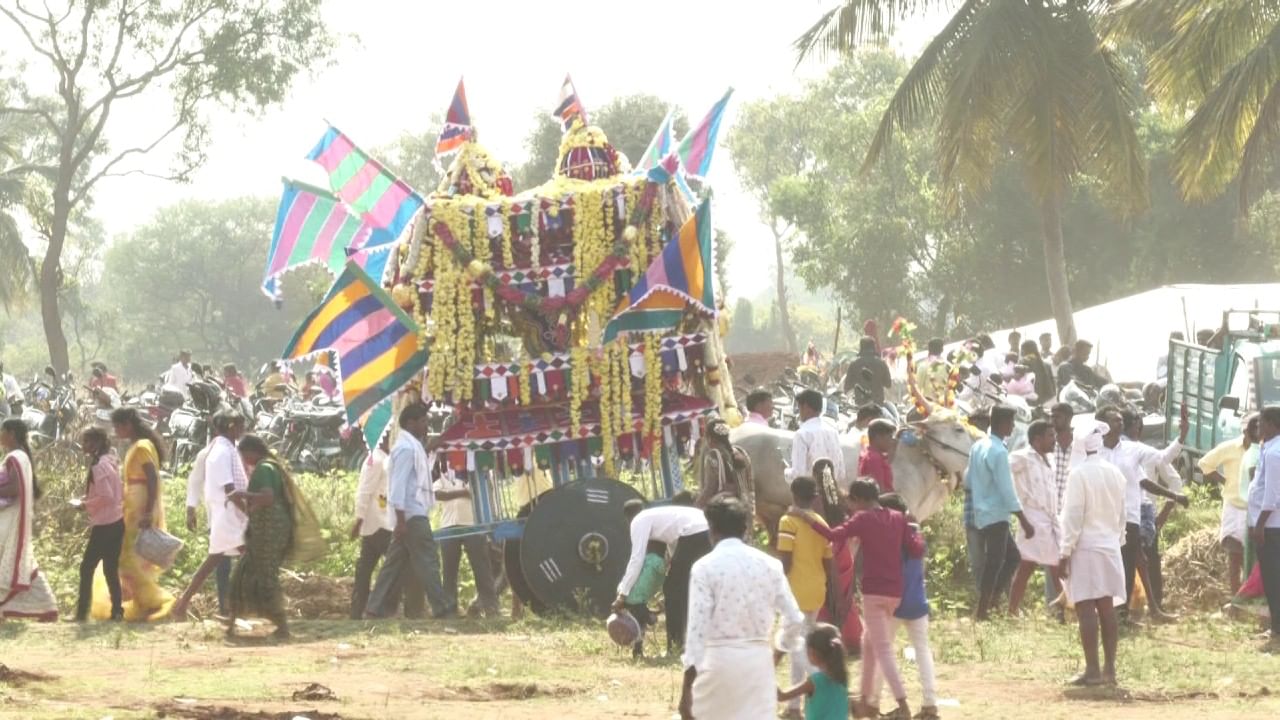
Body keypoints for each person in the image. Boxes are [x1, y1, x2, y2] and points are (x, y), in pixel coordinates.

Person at [794, 479, 923, 720]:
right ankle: (864, 705)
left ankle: (902, 703)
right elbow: (915, 548)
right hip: (895, 591)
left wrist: (805, 516)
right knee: (868, 644)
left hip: (874, 591)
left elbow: (832, 534)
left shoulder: (863, 519)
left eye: (852, 502)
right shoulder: (897, 517)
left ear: (859, 500)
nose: (852, 507)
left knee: (882, 649)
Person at [679, 494, 805, 720]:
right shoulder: (771, 565)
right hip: (758, 662)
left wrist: (686, 689)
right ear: (746, 528)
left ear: (712, 529)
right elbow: (795, 619)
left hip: (716, 663)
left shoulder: (704, 567)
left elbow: (697, 632)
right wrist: (776, 654)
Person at [1095, 406, 1187, 619]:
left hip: (1128, 518)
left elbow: (1161, 459)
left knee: (1126, 566)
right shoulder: (1094, 451)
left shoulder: (1132, 450)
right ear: (1102, 425)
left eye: (1120, 420)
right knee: (1103, 565)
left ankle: (1121, 614)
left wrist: (1181, 436)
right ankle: (1100, 612)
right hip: (1100, 518)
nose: (1120, 424)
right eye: (1115, 420)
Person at [365, 404, 450, 619]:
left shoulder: (412, 446)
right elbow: (398, 487)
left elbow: (417, 473)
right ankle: (441, 609)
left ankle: (373, 608)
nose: (426, 425)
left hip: (409, 515)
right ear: (411, 423)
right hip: (411, 515)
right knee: (429, 561)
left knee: (392, 566)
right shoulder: (405, 449)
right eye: (423, 421)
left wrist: (430, 447)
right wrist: (401, 521)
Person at [1059, 422, 1128, 685]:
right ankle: (1110, 670)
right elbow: (1122, 516)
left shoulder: (1079, 475)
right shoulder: (1115, 473)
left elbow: (1073, 517)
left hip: (1085, 548)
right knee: (1106, 607)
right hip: (1110, 547)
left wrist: (1064, 553)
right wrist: (1116, 539)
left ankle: (1092, 670)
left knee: (1086, 608)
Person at [99, 408, 174, 621]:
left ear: (127, 425)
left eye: (117, 426)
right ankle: (135, 602)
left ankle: (151, 601)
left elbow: (152, 478)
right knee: (128, 556)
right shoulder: (138, 446)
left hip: (140, 507)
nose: (115, 431)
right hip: (133, 505)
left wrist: (148, 511)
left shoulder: (141, 447)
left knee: (128, 557)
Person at [172, 411, 249, 620]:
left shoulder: (226, 449)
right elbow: (229, 489)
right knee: (240, 559)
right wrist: (248, 511)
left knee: (216, 561)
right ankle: (235, 608)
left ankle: (185, 604)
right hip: (227, 515)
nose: (243, 430)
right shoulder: (219, 453)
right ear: (232, 427)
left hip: (226, 514)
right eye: (241, 426)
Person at [871, 493, 938, 720]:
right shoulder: (916, 533)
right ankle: (930, 704)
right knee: (922, 651)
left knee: (882, 653)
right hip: (918, 601)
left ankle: (873, 702)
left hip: (894, 603)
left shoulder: (889, 535)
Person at [613, 499, 711, 651]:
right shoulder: (657, 516)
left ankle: (676, 644)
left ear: (628, 518)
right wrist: (672, 565)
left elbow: (637, 558)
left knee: (673, 590)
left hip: (695, 532)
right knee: (689, 587)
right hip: (706, 528)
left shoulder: (638, 521)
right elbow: (674, 542)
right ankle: (696, 639)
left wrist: (623, 593)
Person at [967, 405, 1035, 621]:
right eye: (1011, 423)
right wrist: (1024, 520)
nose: (1013, 427)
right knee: (995, 562)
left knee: (1011, 557)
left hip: (982, 510)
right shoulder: (998, 451)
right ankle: (983, 610)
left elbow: (968, 480)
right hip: (996, 512)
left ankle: (992, 600)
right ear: (1002, 424)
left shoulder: (978, 446)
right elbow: (1007, 489)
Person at [777, 476, 835, 719]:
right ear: (815, 497)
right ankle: (793, 708)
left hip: (795, 592)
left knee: (798, 648)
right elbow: (828, 560)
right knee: (797, 645)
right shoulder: (819, 522)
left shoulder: (788, 521)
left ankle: (824, 691)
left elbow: (786, 561)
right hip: (815, 589)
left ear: (793, 494)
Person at [226, 435, 294, 640]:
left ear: (252, 451)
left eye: (244, 455)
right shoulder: (271, 466)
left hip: (269, 530)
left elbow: (267, 497)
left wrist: (242, 494)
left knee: (264, 575)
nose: (244, 460)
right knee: (244, 572)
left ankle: (281, 625)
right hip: (268, 528)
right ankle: (232, 622)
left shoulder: (264, 469)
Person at [1123, 409, 1187, 620]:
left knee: (1146, 559)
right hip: (1124, 512)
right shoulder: (1117, 451)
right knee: (1133, 560)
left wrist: (1166, 510)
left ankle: (1152, 606)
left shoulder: (1143, 451)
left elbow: (1167, 465)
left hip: (1144, 512)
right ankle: (1135, 608)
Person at [0, 419, 58, 620]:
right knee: (24, 562)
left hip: (10, 518)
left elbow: (14, 488)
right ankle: (47, 605)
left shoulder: (14, 457)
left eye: (2, 431)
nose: (0, 435)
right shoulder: (21, 455)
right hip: (16, 517)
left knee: (14, 561)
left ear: (12, 434)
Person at [1199, 415, 1259, 594]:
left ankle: (1248, 597)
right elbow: (1205, 464)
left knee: (1253, 560)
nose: (1257, 434)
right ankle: (1235, 599)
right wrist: (1226, 482)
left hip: (1255, 511)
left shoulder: (1266, 449)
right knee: (1234, 557)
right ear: (1245, 431)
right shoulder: (1230, 448)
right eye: (1253, 430)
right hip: (1233, 507)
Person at [1008, 421, 1061, 615]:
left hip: (1050, 518)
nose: (1054, 440)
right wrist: (1014, 500)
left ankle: (1064, 610)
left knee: (1053, 565)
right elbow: (1002, 471)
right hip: (1032, 517)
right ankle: (1012, 610)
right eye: (1050, 436)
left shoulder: (1050, 459)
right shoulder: (1022, 457)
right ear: (1037, 440)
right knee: (1029, 565)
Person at [434, 465, 499, 618]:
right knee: (449, 570)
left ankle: (491, 607)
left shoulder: (476, 467)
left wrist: (452, 493)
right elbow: (437, 494)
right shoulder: (443, 470)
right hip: (449, 524)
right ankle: (450, 609)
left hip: (473, 523)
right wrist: (463, 492)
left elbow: (481, 490)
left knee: (481, 568)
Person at [811, 459, 862, 649]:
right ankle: (851, 636)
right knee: (844, 593)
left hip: (823, 548)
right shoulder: (841, 495)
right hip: (844, 549)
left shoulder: (814, 499)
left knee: (826, 592)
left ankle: (826, 637)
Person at [76, 427, 124, 622]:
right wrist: (88, 498)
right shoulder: (110, 460)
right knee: (110, 569)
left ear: (96, 444)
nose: (83, 446)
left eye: (87, 442)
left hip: (105, 524)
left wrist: (85, 505)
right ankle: (117, 611)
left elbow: (106, 495)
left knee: (86, 568)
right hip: (117, 521)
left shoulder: (98, 466)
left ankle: (81, 614)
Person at [1247, 406, 1280, 651]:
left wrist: (1259, 524)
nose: (1257, 428)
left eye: (1260, 423)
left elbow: (1272, 494)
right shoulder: (1267, 449)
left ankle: (1277, 629)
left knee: (1273, 578)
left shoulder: (1274, 453)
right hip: (1269, 524)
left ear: (1270, 424)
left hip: (1270, 526)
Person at [350, 436, 393, 619]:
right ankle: (377, 608)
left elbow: (382, 493)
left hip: (379, 521)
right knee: (394, 566)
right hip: (379, 523)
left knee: (365, 569)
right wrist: (358, 519)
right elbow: (364, 491)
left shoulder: (384, 459)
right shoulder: (375, 460)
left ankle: (359, 610)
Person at [776, 623, 849, 720]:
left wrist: (768, 673)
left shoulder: (814, 681)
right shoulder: (842, 676)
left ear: (812, 652)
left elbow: (782, 696)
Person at [622, 539, 667, 659]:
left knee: (640, 624)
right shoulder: (658, 561)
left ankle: (637, 650)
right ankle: (637, 652)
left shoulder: (645, 559)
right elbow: (667, 571)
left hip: (631, 597)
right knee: (644, 624)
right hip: (638, 600)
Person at [789, 390, 845, 485]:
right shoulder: (833, 432)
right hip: (831, 493)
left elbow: (798, 474)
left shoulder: (802, 434)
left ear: (806, 407)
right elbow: (841, 473)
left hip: (811, 494)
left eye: (800, 408)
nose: (800, 413)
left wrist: (785, 471)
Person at [696, 418, 752, 512]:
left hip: (724, 508)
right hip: (742, 505)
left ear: (709, 438)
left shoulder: (713, 456)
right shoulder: (738, 452)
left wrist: (696, 506)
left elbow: (710, 488)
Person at [843, 337, 892, 405]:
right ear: (874, 347)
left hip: (860, 404)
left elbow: (847, 387)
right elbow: (888, 384)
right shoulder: (882, 363)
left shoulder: (854, 364)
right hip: (877, 404)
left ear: (861, 347)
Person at [859, 419, 896, 494]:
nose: (892, 441)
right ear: (878, 438)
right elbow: (879, 491)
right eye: (889, 437)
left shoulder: (872, 455)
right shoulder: (874, 459)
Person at [918, 338, 951, 405]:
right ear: (942, 350)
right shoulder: (948, 366)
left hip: (929, 406)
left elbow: (918, 388)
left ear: (929, 349)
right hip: (946, 406)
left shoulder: (923, 366)